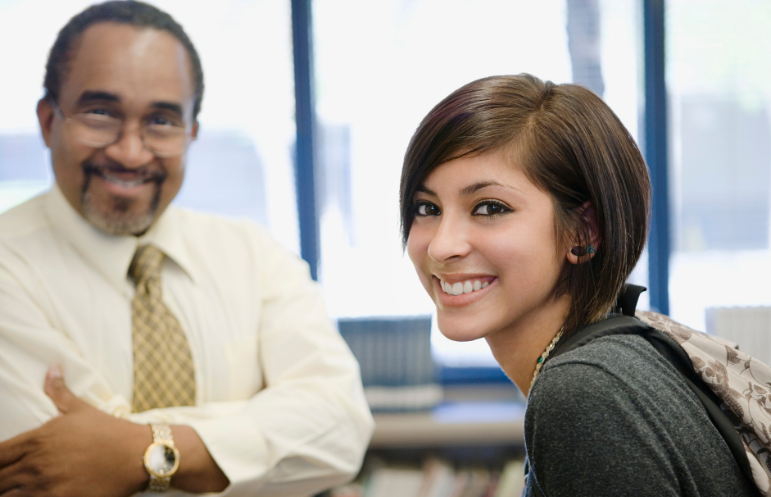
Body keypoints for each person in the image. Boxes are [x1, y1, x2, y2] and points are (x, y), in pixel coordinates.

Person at [0, 2, 373, 496]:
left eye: (161, 121)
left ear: (192, 132)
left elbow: (341, 427)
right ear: (49, 121)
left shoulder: (253, 255)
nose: (130, 152)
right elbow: (48, 464)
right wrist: (257, 425)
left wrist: (134, 448)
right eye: (100, 113)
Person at [399, 74, 758, 496]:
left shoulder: (582, 395)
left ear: (584, 231)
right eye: (427, 208)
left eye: (489, 207)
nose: (441, 246)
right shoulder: (632, 349)